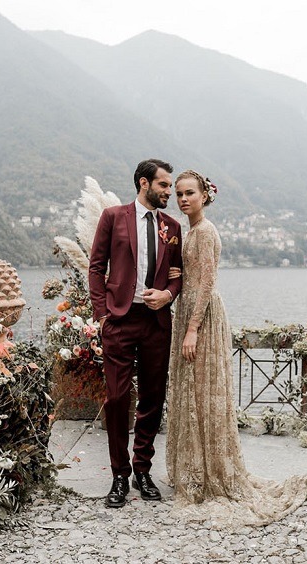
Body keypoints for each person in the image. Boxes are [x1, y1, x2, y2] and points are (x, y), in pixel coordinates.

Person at [165, 170, 307, 526]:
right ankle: (197, 467)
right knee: (194, 391)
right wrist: (181, 278)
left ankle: (213, 471)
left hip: (201, 316)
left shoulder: (205, 231)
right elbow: (197, 277)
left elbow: (209, 282)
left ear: (205, 195)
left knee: (203, 390)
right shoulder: (192, 231)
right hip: (191, 309)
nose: (183, 199)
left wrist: (192, 330)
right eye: (179, 194)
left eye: (190, 193)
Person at [88, 158, 184, 508]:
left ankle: (143, 469)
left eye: (170, 187)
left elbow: (178, 273)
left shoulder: (172, 226)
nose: (168, 192)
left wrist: (168, 294)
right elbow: (96, 267)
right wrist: (102, 315)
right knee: (116, 398)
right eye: (163, 186)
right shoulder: (113, 217)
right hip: (119, 321)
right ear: (144, 183)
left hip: (156, 323)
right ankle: (119, 475)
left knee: (153, 398)